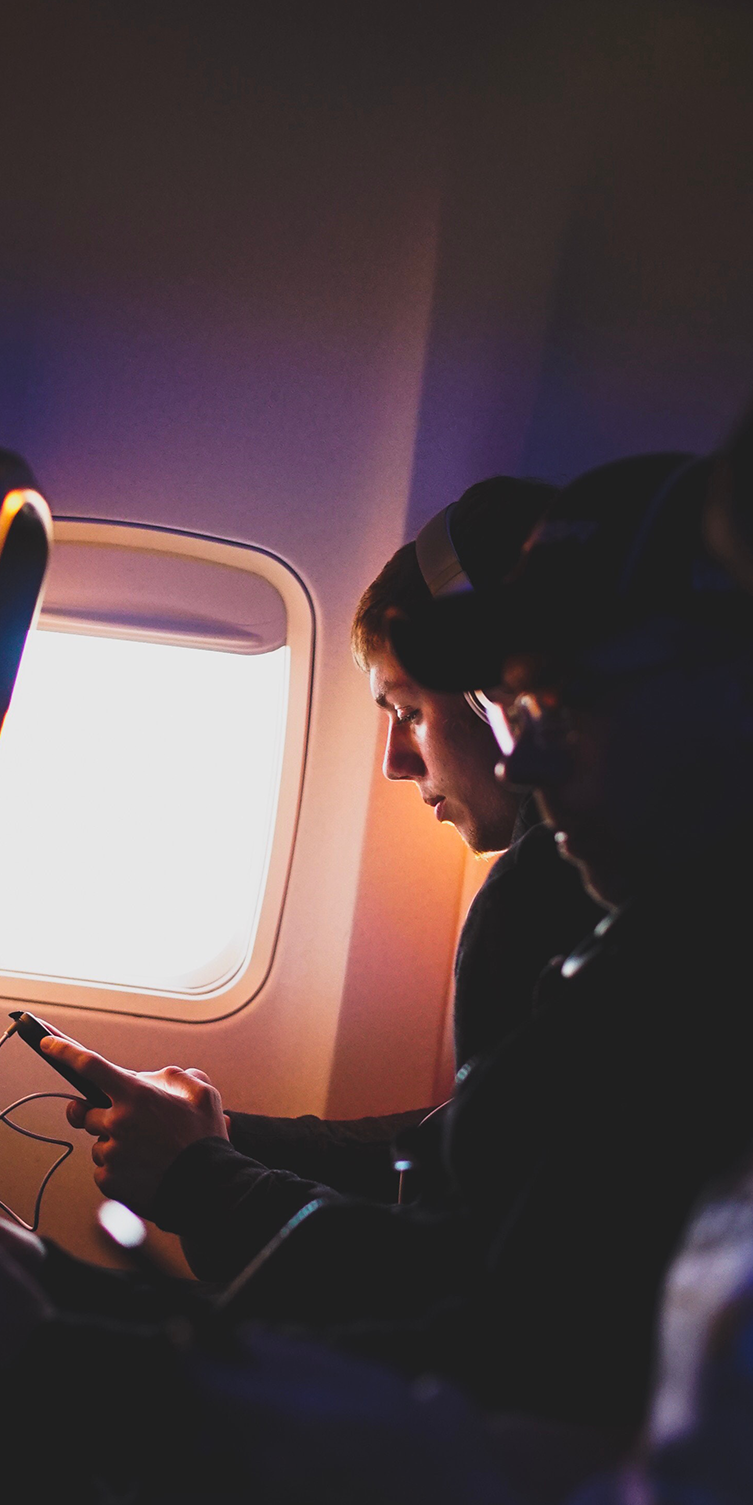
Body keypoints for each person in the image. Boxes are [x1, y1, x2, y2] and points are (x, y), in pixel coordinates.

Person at [46, 453, 753, 1432]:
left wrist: (119, 1309)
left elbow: (499, 1363)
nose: (524, 758)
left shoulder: (745, 989)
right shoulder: (668, 944)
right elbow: (467, 1181)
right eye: (517, 707)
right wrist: (211, 1170)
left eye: (564, 700)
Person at [222, 474, 595, 1205]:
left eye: (407, 711)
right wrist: (222, 1139)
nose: (395, 763)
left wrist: (202, 1178)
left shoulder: (533, 896)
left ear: (495, 696)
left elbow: (447, 1252)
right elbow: (458, 1138)